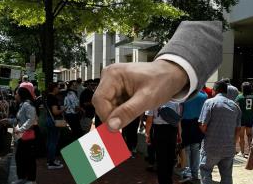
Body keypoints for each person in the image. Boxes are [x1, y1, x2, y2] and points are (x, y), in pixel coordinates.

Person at [91, 21, 222, 132]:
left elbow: (150, 119)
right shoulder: (204, 96)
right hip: (182, 130)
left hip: (164, 131)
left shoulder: (158, 99)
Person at [198, 80, 241, 184]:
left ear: (215, 90)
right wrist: (233, 143)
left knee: (205, 171)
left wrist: (207, 132)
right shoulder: (235, 106)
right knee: (227, 176)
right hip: (228, 147)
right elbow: (238, 129)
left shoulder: (209, 103)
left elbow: (203, 125)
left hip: (211, 146)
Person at [0, 87, 38, 184]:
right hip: (21, 136)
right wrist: (8, 120)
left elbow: (31, 119)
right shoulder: (22, 105)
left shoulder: (27, 104)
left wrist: (21, 129)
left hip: (27, 136)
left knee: (29, 159)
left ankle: (31, 180)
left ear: (21, 94)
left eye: (16, 93)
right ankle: (22, 177)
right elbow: (19, 119)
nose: (15, 95)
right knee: (20, 157)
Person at [145, 101, 182, 184]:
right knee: (170, 157)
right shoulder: (176, 102)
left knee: (161, 158)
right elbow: (178, 120)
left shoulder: (154, 101)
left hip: (159, 131)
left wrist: (147, 134)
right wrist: (179, 134)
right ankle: (169, 183)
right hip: (172, 131)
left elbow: (149, 120)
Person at [179, 89, 207, 184]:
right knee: (195, 149)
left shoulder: (184, 94)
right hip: (198, 123)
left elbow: (180, 111)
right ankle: (195, 173)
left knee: (186, 149)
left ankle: (187, 173)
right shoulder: (204, 95)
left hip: (185, 124)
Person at [235, 82, 253, 157]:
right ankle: (250, 152)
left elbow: (236, 107)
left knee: (241, 136)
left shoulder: (239, 97)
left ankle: (242, 153)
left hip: (241, 118)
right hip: (250, 118)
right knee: (250, 136)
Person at [46, 82, 64, 169]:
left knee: (50, 141)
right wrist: (63, 109)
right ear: (54, 88)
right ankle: (51, 162)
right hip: (54, 121)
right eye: (58, 87)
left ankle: (50, 160)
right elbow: (55, 111)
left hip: (49, 120)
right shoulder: (53, 98)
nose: (59, 89)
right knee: (53, 141)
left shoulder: (47, 97)